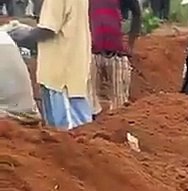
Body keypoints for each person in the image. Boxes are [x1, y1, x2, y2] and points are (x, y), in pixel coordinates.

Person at [9, 0, 93, 129]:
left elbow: (47, 30)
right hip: (69, 69)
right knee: (73, 128)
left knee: (70, 131)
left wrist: (19, 35)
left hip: (60, 74)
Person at [87, 0, 141, 116]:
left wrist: (130, 43)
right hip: (94, 53)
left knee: (119, 105)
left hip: (117, 55)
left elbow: (137, 13)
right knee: (91, 103)